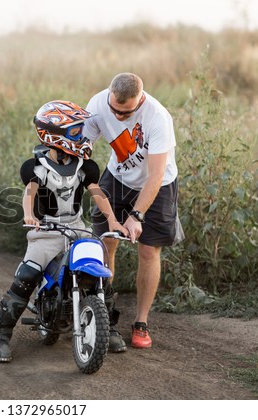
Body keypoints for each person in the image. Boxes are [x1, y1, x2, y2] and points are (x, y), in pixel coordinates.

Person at [0, 100, 129, 363]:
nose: (82, 135)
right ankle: (1, 334)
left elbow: (97, 193)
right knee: (28, 274)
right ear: (55, 135)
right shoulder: (36, 166)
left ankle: (107, 327)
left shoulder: (85, 166)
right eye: (76, 131)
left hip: (77, 228)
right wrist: (29, 215)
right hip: (46, 230)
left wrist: (112, 220)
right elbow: (29, 192)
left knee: (101, 271)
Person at [83, 73, 185, 349]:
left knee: (148, 250)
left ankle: (141, 322)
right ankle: (103, 313)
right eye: (114, 109)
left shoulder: (158, 118)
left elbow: (154, 176)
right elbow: (85, 150)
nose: (117, 116)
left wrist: (136, 215)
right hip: (116, 178)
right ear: (110, 95)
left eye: (125, 112)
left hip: (158, 184)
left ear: (140, 100)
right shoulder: (97, 103)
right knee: (106, 241)